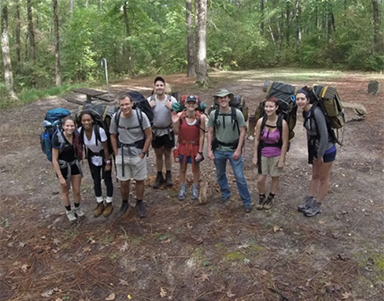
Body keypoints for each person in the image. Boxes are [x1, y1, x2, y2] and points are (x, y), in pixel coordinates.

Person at [207, 89, 252, 212]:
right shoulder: (213, 114)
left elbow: (243, 131)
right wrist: (209, 150)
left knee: (239, 177)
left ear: (229, 99)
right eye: (220, 98)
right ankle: (225, 193)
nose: (223, 100)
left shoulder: (237, 113)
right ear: (217, 100)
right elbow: (210, 131)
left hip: (233, 150)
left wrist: (238, 150)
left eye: (225, 97)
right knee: (220, 174)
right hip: (219, 149)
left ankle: (247, 201)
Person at [296, 88, 337, 217]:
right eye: (297, 99)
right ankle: (309, 199)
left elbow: (324, 135)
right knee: (315, 175)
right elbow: (310, 134)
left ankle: (318, 205)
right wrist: (313, 153)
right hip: (316, 149)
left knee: (323, 178)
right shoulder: (305, 112)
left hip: (327, 150)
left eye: (302, 99)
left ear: (308, 99)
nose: (300, 101)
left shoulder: (317, 112)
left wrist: (320, 155)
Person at [110, 94, 152, 218]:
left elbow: (149, 135)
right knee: (123, 182)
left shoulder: (141, 116)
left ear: (132, 104)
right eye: (122, 105)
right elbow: (112, 135)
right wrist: (116, 153)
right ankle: (124, 203)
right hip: (122, 154)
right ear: (119, 106)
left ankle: (139, 202)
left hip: (138, 153)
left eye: (127, 104)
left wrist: (143, 153)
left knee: (140, 180)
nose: (125, 107)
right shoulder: (116, 117)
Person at [252, 97, 288, 210]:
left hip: (276, 154)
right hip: (262, 153)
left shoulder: (282, 123)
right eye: (266, 106)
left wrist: (282, 159)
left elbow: (285, 142)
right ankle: (261, 196)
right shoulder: (260, 121)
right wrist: (254, 156)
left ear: (276, 107)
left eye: (271, 106)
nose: (268, 109)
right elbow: (257, 139)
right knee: (260, 179)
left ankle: (271, 197)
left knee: (274, 176)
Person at [78, 111, 114, 218]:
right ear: (81, 122)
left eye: (88, 120)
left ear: (92, 120)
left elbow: (106, 148)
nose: (86, 122)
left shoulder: (99, 131)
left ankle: (109, 203)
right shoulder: (80, 131)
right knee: (96, 180)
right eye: (84, 120)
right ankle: (99, 203)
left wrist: (107, 162)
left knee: (107, 180)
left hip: (104, 156)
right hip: (92, 157)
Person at [171, 95, 206, 201]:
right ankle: (182, 189)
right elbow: (176, 132)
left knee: (196, 168)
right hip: (183, 146)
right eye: (188, 103)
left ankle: (195, 188)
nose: (191, 105)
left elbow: (202, 135)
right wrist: (175, 122)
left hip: (195, 146)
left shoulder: (201, 118)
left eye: (193, 103)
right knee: (182, 168)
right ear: (185, 104)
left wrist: (200, 151)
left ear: (196, 105)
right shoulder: (180, 116)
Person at [51, 116, 84, 222]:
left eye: (72, 125)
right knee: (65, 191)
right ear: (63, 126)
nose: (70, 128)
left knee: (77, 190)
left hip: (74, 165)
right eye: (67, 126)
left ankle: (78, 208)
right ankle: (69, 211)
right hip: (63, 167)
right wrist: (60, 176)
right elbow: (54, 159)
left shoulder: (76, 135)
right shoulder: (58, 138)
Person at [148, 76, 178, 188]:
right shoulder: (150, 100)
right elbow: (144, 116)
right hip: (155, 132)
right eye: (157, 85)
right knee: (158, 154)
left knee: (167, 153)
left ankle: (169, 174)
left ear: (165, 87)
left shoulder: (171, 100)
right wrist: (149, 108)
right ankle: (159, 175)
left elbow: (179, 113)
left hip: (168, 130)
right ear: (154, 87)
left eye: (161, 85)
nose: (159, 87)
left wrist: (172, 108)